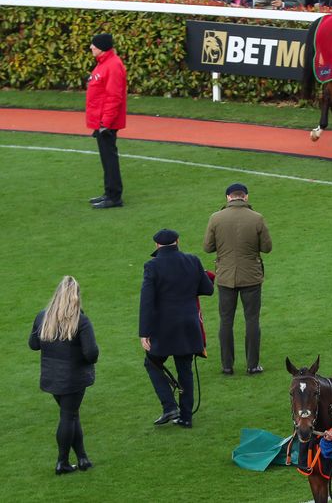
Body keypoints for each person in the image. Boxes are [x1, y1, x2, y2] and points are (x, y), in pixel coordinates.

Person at [140, 229, 214, 428]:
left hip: (163, 328)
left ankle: (169, 405)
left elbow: (146, 300)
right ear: (177, 241)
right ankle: (186, 417)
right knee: (185, 370)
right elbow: (208, 289)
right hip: (188, 326)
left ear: (157, 245)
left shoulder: (152, 266)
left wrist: (144, 332)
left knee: (153, 364)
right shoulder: (192, 261)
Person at [29, 276, 99, 476]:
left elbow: (33, 345)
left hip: (51, 376)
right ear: (76, 297)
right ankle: (62, 462)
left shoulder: (42, 317)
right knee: (68, 416)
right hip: (74, 378)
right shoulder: (81, 321)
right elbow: (91, 354)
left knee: (71, 414)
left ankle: (83, 458)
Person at [203, 183, 272, 375]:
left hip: (225, 277)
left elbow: (207, 247)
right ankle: (252, 365)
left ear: (228, 198)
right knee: (252, 320)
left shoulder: (216, 218)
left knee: (226, 321)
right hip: (251, 276)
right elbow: (267, 247)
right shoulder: (257, 218)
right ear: (246, 197)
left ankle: (227, 366)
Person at [86, 33, 127, 210]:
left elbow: (114, 97)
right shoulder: (105, 64)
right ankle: (109, 192)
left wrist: (105, 123)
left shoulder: (112, 65)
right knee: (106, 158)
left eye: (93, 45)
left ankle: (114, 196)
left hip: (106, 123)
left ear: (101, 47)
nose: (91, 47)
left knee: (109, 158)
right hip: (102, 121)